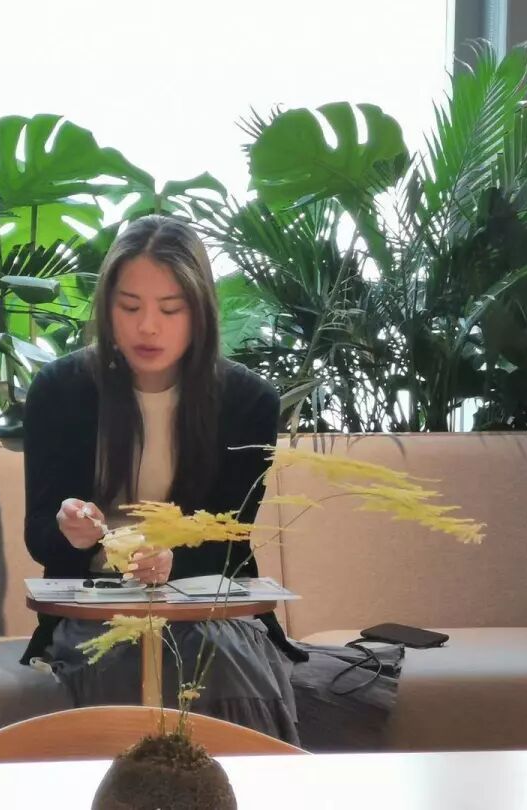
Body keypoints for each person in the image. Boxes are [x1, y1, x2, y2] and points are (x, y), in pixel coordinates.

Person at [20, 215, 397, 748]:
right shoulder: (61, 391)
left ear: (199, 311)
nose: (148, 327)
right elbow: (39, 534)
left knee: (218, 661)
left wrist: (173, 561)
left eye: (170, 309)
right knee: (126, 659)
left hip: (205, 606)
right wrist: (69, 532)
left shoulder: (246, 402)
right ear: (107, 308)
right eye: (129, 307)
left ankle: (238, 788)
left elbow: (231, 543)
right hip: (97, 608)